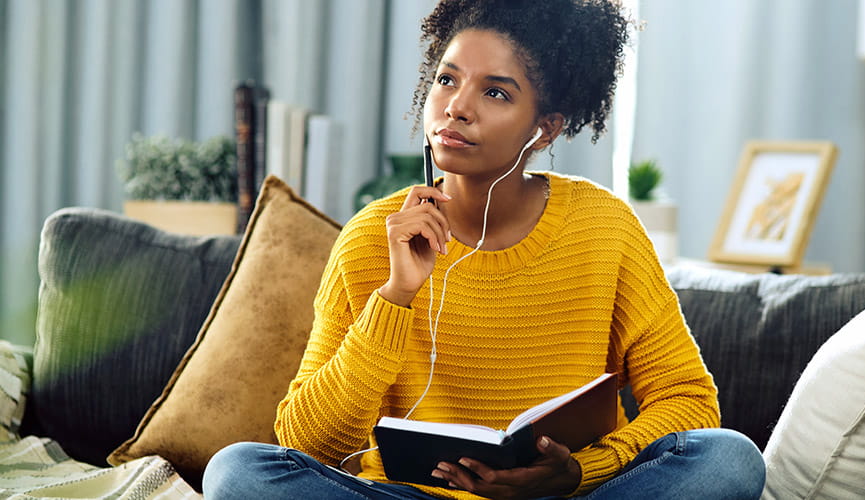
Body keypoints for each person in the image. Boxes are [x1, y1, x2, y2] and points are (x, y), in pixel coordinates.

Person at [203, 0, 765, 498]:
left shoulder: (605, 228)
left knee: (729, 458)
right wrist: (396, 296)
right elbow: (306, 444)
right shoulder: (374, 236)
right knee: (239, 471)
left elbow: (689, 400)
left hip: (569, 495)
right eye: (447, 80)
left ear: (544, 129)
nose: (456, 107)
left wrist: (576, 473)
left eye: (495, 92)